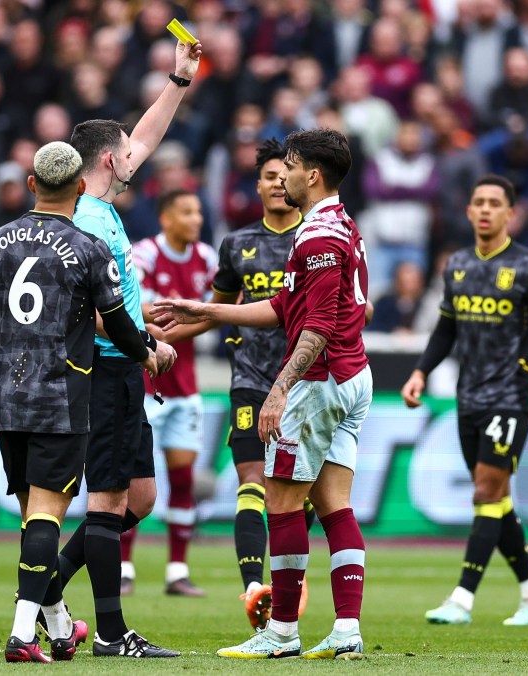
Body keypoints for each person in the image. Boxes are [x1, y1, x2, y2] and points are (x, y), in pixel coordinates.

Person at [0, 141, 159, 663]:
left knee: (33, 521)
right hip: (61, 397)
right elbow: (116, 324)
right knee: (46, 517)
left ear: (30, 185)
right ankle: (23, 634)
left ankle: (62, 627)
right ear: (79, 188)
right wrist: (149, 351)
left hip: (4, 396)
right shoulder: (88, 247)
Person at [153, 129, 372, 660]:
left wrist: (278, 392)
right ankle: (346, 630)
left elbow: (314, 328)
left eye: (291, 167)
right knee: (335, 504)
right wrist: (205, 310)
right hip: (353, 376)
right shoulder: (340, 225)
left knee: (280, 502)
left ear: (312, 175)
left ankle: (281, 633)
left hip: (316, 381)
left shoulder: (317, 237)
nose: (283, 176)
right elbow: (282, 308)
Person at [49, 37, 200, 659]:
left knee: (140, 499)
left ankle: (43, 591)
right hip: (105, 369)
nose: (138, 157)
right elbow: (91, 311)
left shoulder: (104, 204)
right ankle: (112, 634)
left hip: (127, 368)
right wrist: (144, 348)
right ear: (110, 162)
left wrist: (179, 80)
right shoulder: (87, 219)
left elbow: (147, 133)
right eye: (127, 154)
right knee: (108, 499)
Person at [399, 174, 528, 627]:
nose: (487, 209)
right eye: (480, 202)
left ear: (511, 213)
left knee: (484, 491)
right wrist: (420, 371)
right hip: (468, 397)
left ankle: (462, 598)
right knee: (497, 499)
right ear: (470, 212)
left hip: (512, 397)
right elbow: (446, 329)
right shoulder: (456, 265)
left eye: (496, 203)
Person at [155, 137, 316, 629]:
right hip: (249, 378)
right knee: (254, 481)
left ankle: (287, 577)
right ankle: (253, 587)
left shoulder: (315, 240)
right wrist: (155, 339)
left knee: (299, 494)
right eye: (266, 176)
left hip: (306, 380)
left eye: (280, 175)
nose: (273, 183)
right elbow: (214, 310)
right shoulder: (237, 244)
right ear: (259, 184)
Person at [122, 189, 218, 598]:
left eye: (198, 210)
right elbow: (130, 305)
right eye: (186, 211)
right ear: (165, 218)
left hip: (185, 387)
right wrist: (185, 317)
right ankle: (124, 567)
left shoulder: (208, 259)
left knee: (182, 479)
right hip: (142, 384)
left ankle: (177, 570)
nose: (195, 219)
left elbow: (219, 310)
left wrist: (179, 322)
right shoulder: (143, 254)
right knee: (129, 480)